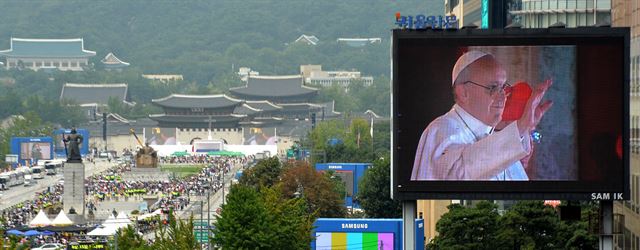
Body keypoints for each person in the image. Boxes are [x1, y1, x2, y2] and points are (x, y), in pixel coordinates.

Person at [411, 51, 553, 181]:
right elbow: (458, 175)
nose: (503, 96)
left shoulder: (500, 135)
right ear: (464, 92)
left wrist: (523, 135)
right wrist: (520, 128)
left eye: (503, 87)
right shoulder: (442, 128)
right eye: (493, 87)